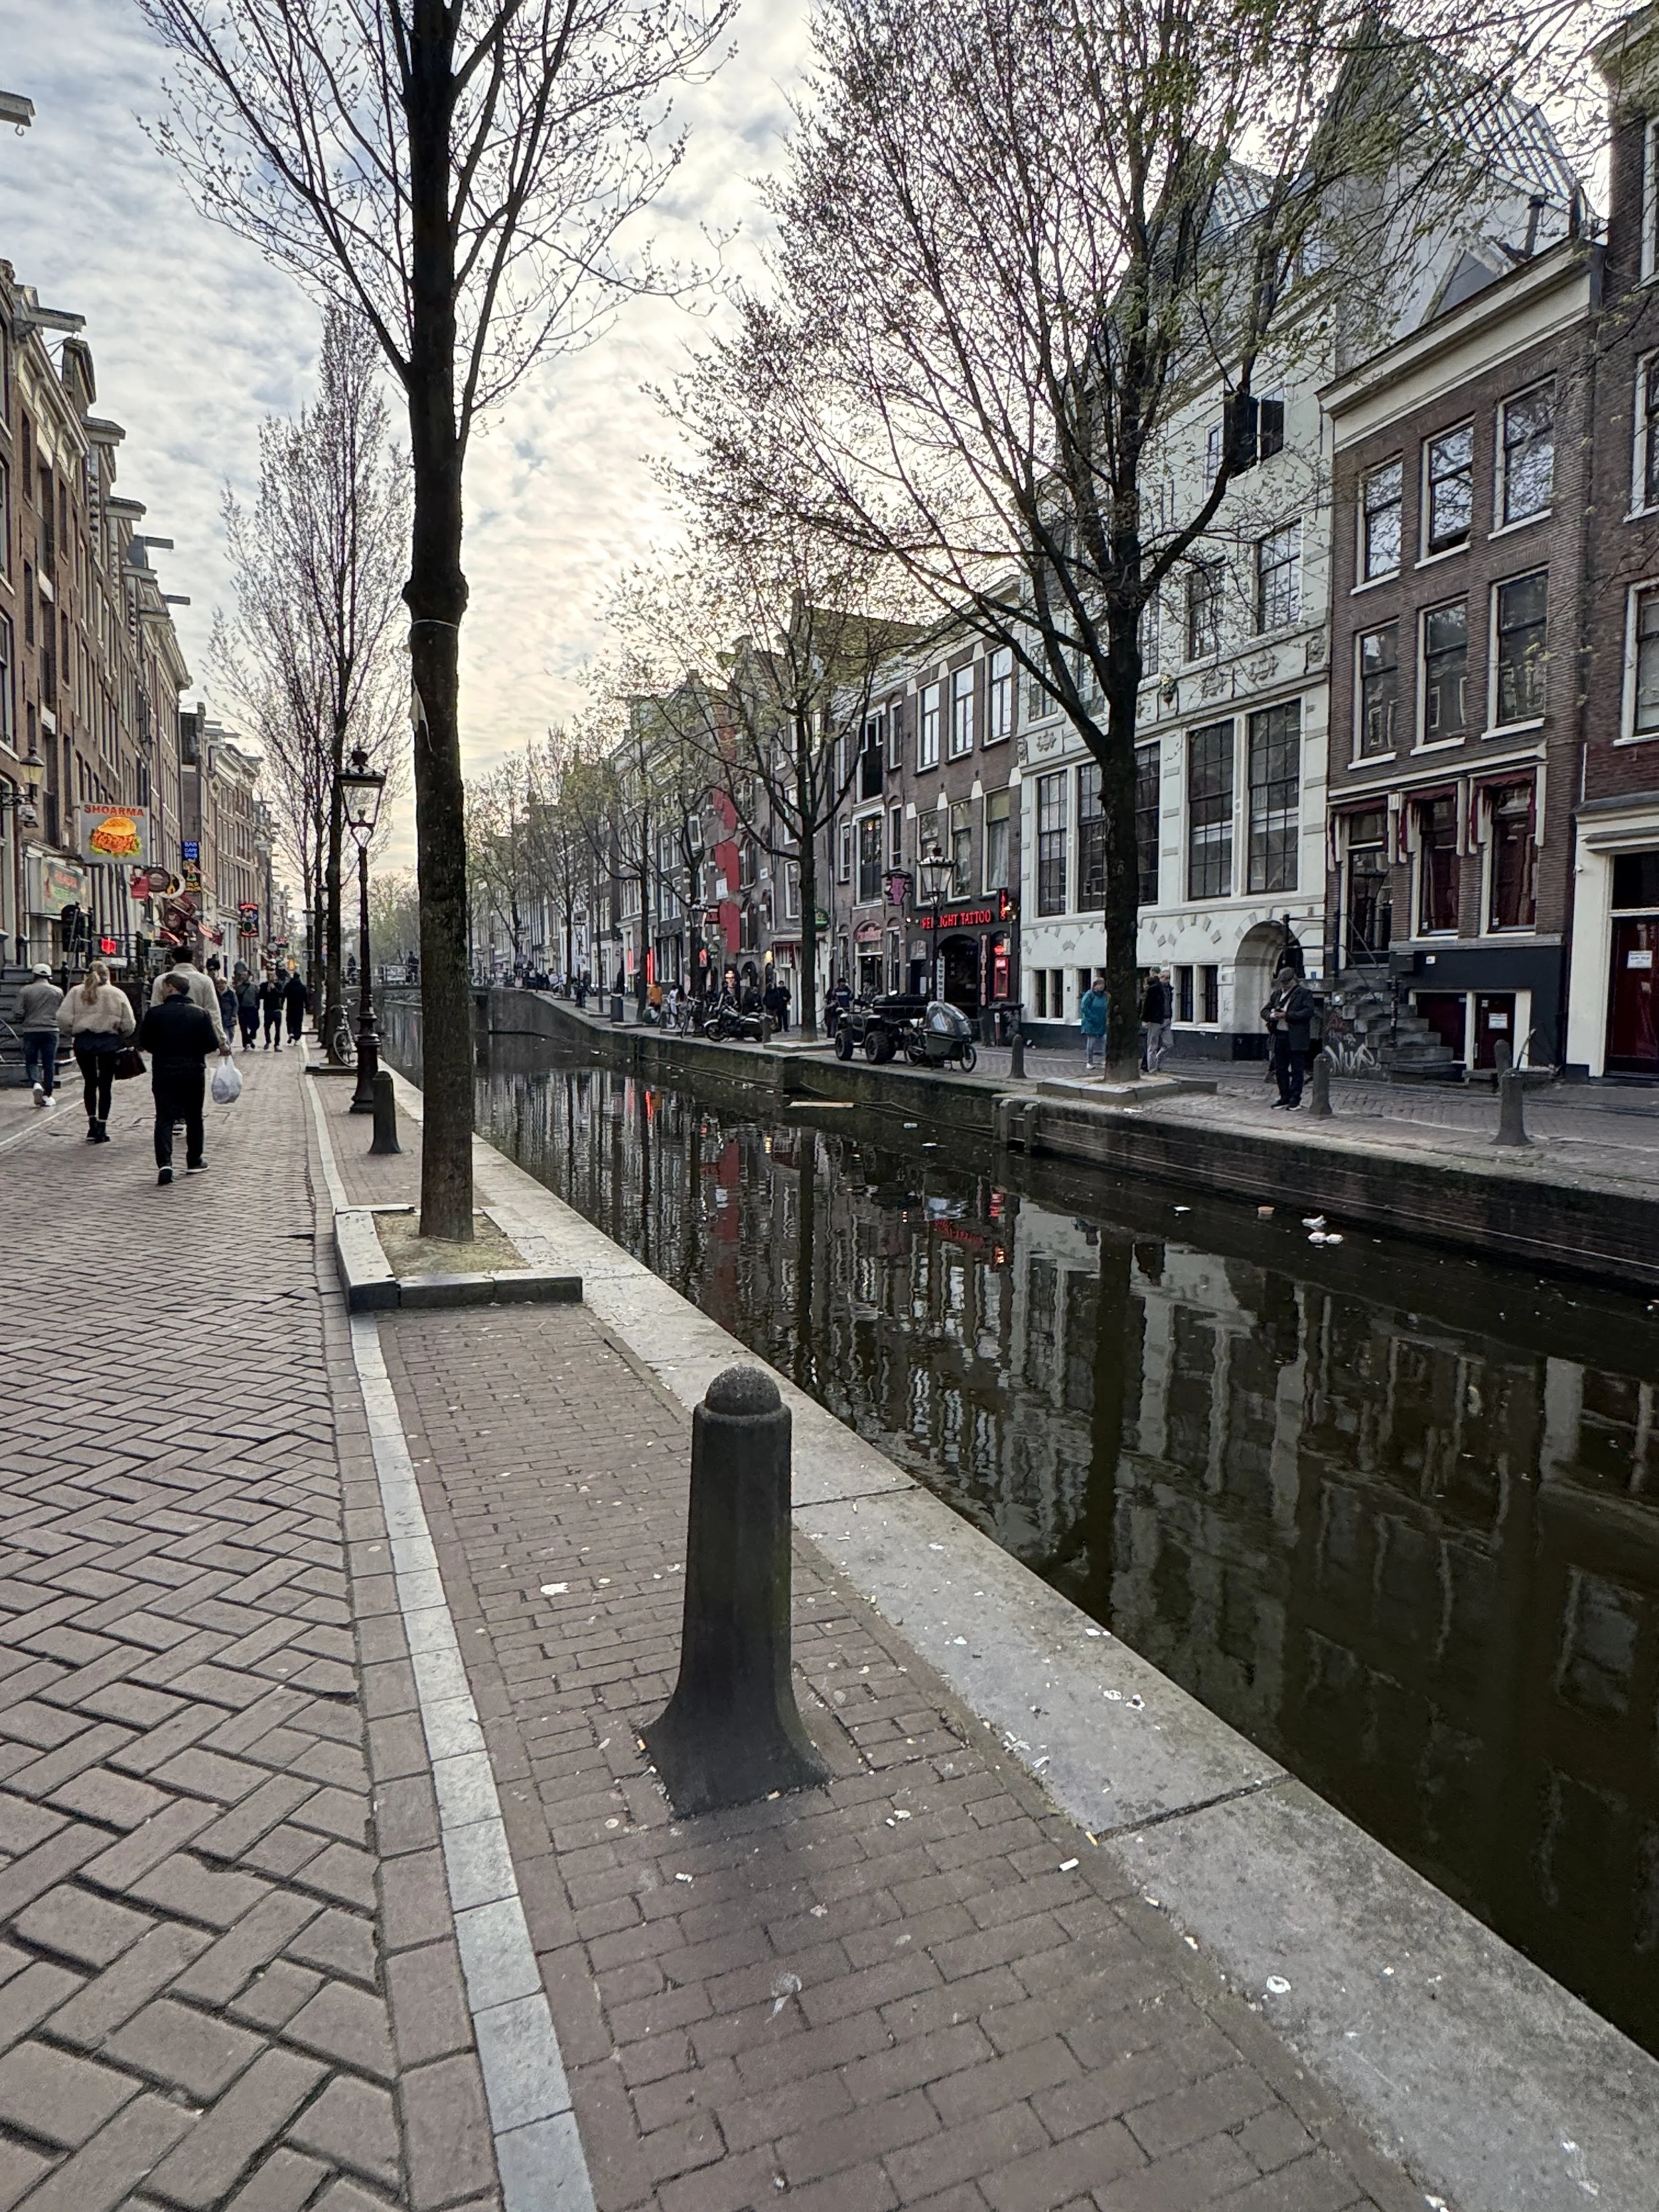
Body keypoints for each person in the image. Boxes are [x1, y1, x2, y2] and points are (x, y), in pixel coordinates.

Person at [139, 970, 228, 1184]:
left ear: (172, 988)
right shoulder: (200, 1014)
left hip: (164, 1070)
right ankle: (194, 1160)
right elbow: (210, 1043)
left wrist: (163, 1051)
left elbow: (145, 1042)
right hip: (193, 1071)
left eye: (164, 986)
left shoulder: (155, 1014)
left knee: (164, 1118)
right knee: (195, 1116)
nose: (161, 989)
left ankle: (165, 1164)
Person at [57, 960, 136, 1143]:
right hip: (108, 1043)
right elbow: (129, 1023)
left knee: (90, 1083)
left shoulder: (76, 992)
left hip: (84, 1042)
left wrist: (73, 1032)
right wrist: (120, 1034)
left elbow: (62, 1017)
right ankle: (102, 1126)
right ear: (108, 974)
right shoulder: (117, 994)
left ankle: (92, 1124)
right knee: (106, 1085)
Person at [149, 945, 227, 1048]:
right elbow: (213, 1011)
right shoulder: (205, 981)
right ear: (192, 959)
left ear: (173, 959)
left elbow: (155, 1008)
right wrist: (221, 1040)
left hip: (167, 1039)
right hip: (195, 1037)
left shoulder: (161, 980)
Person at [1263, 964, 1315, 1108]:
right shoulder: (1277, 994)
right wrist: (1271, 1015)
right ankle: (1284, 1096)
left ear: (1295, 980)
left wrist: (1287, 1015)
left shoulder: (1304, 994)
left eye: (1287, 983)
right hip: (1279, 1035)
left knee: (1297, 1069)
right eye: (1282, 983)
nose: (1284, 986)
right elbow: (1265, 1010)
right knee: (1281, 1068)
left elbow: (1308, 1012)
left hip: (1297, 1037)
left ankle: (1295, 1099)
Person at [16, 964, 63, 1108]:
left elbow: (18, 1012)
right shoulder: (58, 991)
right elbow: (62, 1012)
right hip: (51, 1030)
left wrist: (22, 1019)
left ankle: (36, 1083)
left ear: (34, 975)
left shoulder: (25, 991)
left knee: (32, 1061)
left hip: (31, 1030)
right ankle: (48, 1095)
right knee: (49, 1063)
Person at [1140, 968, 1173, 1073]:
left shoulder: (1170, 990)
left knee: (1169, 1044)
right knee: (1152, 1045)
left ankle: (1156, 1060)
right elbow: (1147, 1005)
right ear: (1160, 978)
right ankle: (1152, 1069)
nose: (1167, 980)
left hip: (1166, 1019)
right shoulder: (1153, 989)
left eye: (1169, 978)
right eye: (1165, 978)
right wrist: (1145, 1019)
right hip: (1155, 1020)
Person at [1080, 973, 1110, 1073]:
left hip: (1102, 1023)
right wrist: (1092, 1017)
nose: (1101, 986)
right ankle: (1089, 1062)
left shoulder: (1105, 996)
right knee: (1091, 1043)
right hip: (1091, 1023)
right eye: (1099, 984)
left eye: (1103, 984)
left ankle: (1105, 1060)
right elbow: (1084, 1007)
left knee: (1105, 1041)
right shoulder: (1090, 995)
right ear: (1095, 985)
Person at [207, 958, 239, 1049]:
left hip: (229, 1014)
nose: (221, 986)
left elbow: (235, 1004)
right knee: (224, 1031)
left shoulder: (231, 993)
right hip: (220, 1014)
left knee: (231, 1032)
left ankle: (229, 1042)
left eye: (222, 984)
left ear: (225, 984)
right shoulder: (215, 993)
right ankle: (227, 1045)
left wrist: (234, 1014)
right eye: (219, 984)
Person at [282, 960, 310, 1044]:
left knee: (290, 1021)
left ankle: (290, 1033)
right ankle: (297, 1038)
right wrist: (307, 1006)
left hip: (290, 1006)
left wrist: (282, 1004)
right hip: (299, 1007)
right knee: (298, 1022)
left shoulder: (289, 985)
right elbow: (306, 998)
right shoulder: (302, 987)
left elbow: (284, 995)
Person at [236, 968, 261, 1049]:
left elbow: (258, 997)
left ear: (249, 976)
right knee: (243, 1027)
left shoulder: (254, 986)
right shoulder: (238, 987)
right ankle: (246, 1044)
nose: (243, 977)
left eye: (245, 975)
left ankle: (251, 1037)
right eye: (242, 975)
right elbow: (237, 999)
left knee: (255, 1025)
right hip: (242, 1009)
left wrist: (257, 1007)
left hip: (252, 1009)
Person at [260, 970, 285, 1047]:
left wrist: (274, 989)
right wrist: (267, 991)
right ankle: (268, 1041)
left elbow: (281, 995)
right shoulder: (264, 985)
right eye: (269, 975)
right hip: (268, 1009)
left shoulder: (279, 985)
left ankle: (277, 1044)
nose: (271, 977)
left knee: (278, 1028)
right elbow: (261, 996)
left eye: (272, 975)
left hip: (277, 1009)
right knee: (267, 1027)